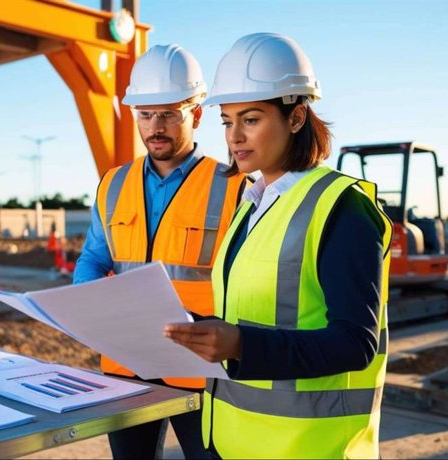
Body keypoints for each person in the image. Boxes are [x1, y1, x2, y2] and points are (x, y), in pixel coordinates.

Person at [164, 33, 392, 459]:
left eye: (251, 119)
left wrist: (240, 345)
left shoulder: (341, 206)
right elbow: (248, 312)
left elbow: (355, 343)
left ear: (296, 117)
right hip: (231, 441)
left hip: (308, 448)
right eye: (228, 122)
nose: (235, 137)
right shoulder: (249, 206)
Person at [74, 44, 250, 460]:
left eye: (169, 114)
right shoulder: (112, 184)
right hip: (125, 366)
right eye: (146, 115)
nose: (156, 126)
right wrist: (86, 301)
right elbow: (94, 258)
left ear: (197, 114)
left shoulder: (236, 186)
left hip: (202, 370)